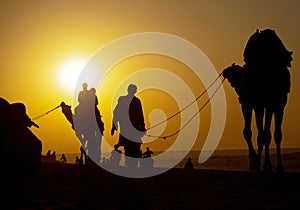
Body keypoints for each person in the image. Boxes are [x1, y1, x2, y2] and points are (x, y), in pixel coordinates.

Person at [111, 84, 146, 168]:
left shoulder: (134, 101)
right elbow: (117, 112)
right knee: (130, 146)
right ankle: (131, 164)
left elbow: (140, 115)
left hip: (131, 128)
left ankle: (131, 164)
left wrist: (114, 125)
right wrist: (114, 125)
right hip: (128, 128)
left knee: (132, 146)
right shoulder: (130, 100)